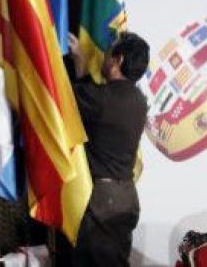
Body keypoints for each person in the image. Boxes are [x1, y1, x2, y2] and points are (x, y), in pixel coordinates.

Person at [68, 31, 150, 267]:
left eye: (108, 53)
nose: (103, 57)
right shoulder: (139, 100)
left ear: (118, 60)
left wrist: (79, 62)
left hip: (105, 201)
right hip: (124, 195)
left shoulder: (104, 99)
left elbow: (72, 99)